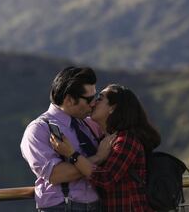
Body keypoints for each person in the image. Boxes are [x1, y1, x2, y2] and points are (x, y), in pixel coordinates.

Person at [51, 84, 161, 212]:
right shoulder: (106, 140)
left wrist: (72, 154)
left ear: (112, 108)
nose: (93, 103)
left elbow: (106, 179)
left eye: (100, 98)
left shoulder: (126, 140)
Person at [20, 66, 113, 212]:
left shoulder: (89, 124)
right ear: (69, 99)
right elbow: (57, 174)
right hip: (63, 207)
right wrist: (99, 157)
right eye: (89, 99)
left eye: (95, 97)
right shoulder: (39, 130)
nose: (94, 103)